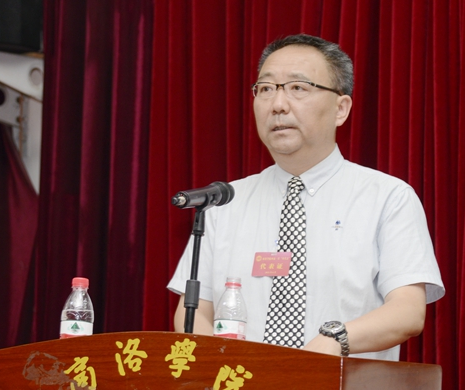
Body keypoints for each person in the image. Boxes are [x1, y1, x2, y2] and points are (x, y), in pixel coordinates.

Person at [167, 33, 445, 361]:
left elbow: (407, 313)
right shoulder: (225, 200)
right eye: (266, 89)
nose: (278, 104)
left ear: (340, 109)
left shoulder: (387, 197)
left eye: (298, 88)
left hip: (340, 384)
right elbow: (193, 311)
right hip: (238, 384)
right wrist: (218, 365)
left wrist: (334, 339)